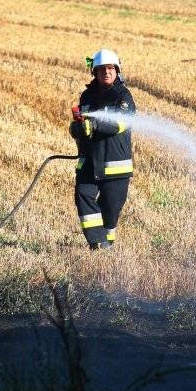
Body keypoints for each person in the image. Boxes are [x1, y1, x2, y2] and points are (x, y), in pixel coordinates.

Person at [69, 48, 136, 249]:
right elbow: (83, 124)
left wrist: (96, 125)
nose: (106, 72)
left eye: (110, 68)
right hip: (89, 161)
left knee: (111, 208)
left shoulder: (123, 96)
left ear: (117, 71)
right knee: (83, 195)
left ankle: (106, 246)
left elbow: (121, 123)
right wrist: (77, 128)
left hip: (115, 165)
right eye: (101, 69)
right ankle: (96, 243)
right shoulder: (87, 96)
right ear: (95, 72)